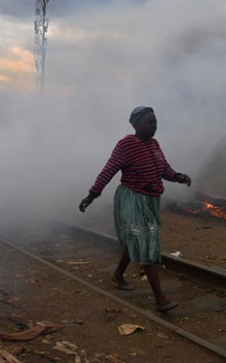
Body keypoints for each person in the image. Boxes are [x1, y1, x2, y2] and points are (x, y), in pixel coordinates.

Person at [79, 106, 191, 312]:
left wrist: (178, 176)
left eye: (155, 122)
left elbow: (164, 169)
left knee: (137, 239)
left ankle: (118, 275)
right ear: (136, 124)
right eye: (150, 122)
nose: (154, 126)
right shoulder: (127, 144)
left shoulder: (154, 144)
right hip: (132, 199)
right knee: (146, 243)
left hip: (150, 201)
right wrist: (92, 195)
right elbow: (108, 170)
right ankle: (160, 299)